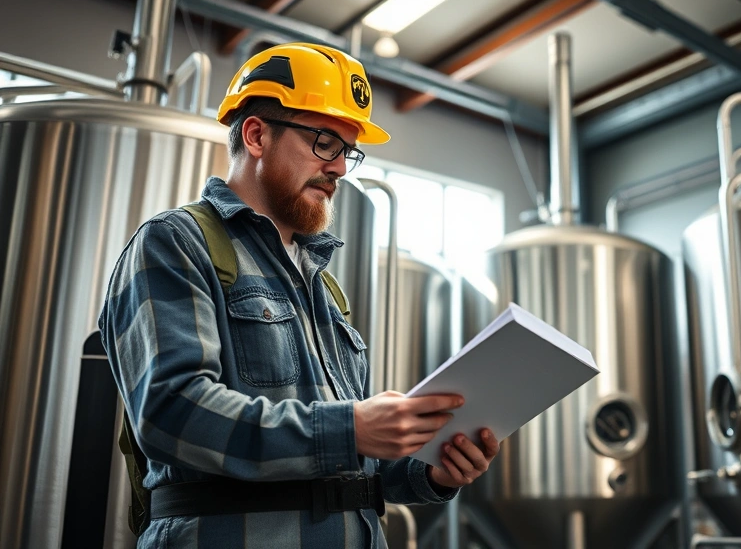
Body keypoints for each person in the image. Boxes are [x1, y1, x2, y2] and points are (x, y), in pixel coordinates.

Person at [98, 42, 500, 548]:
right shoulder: (177, 243)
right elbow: (171, 413)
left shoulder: (323, 287)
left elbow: (355, 468)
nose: (338, 168)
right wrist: (350, 428)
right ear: (257, 134)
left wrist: (434, 470)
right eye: (324, 142)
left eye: (347, 152)